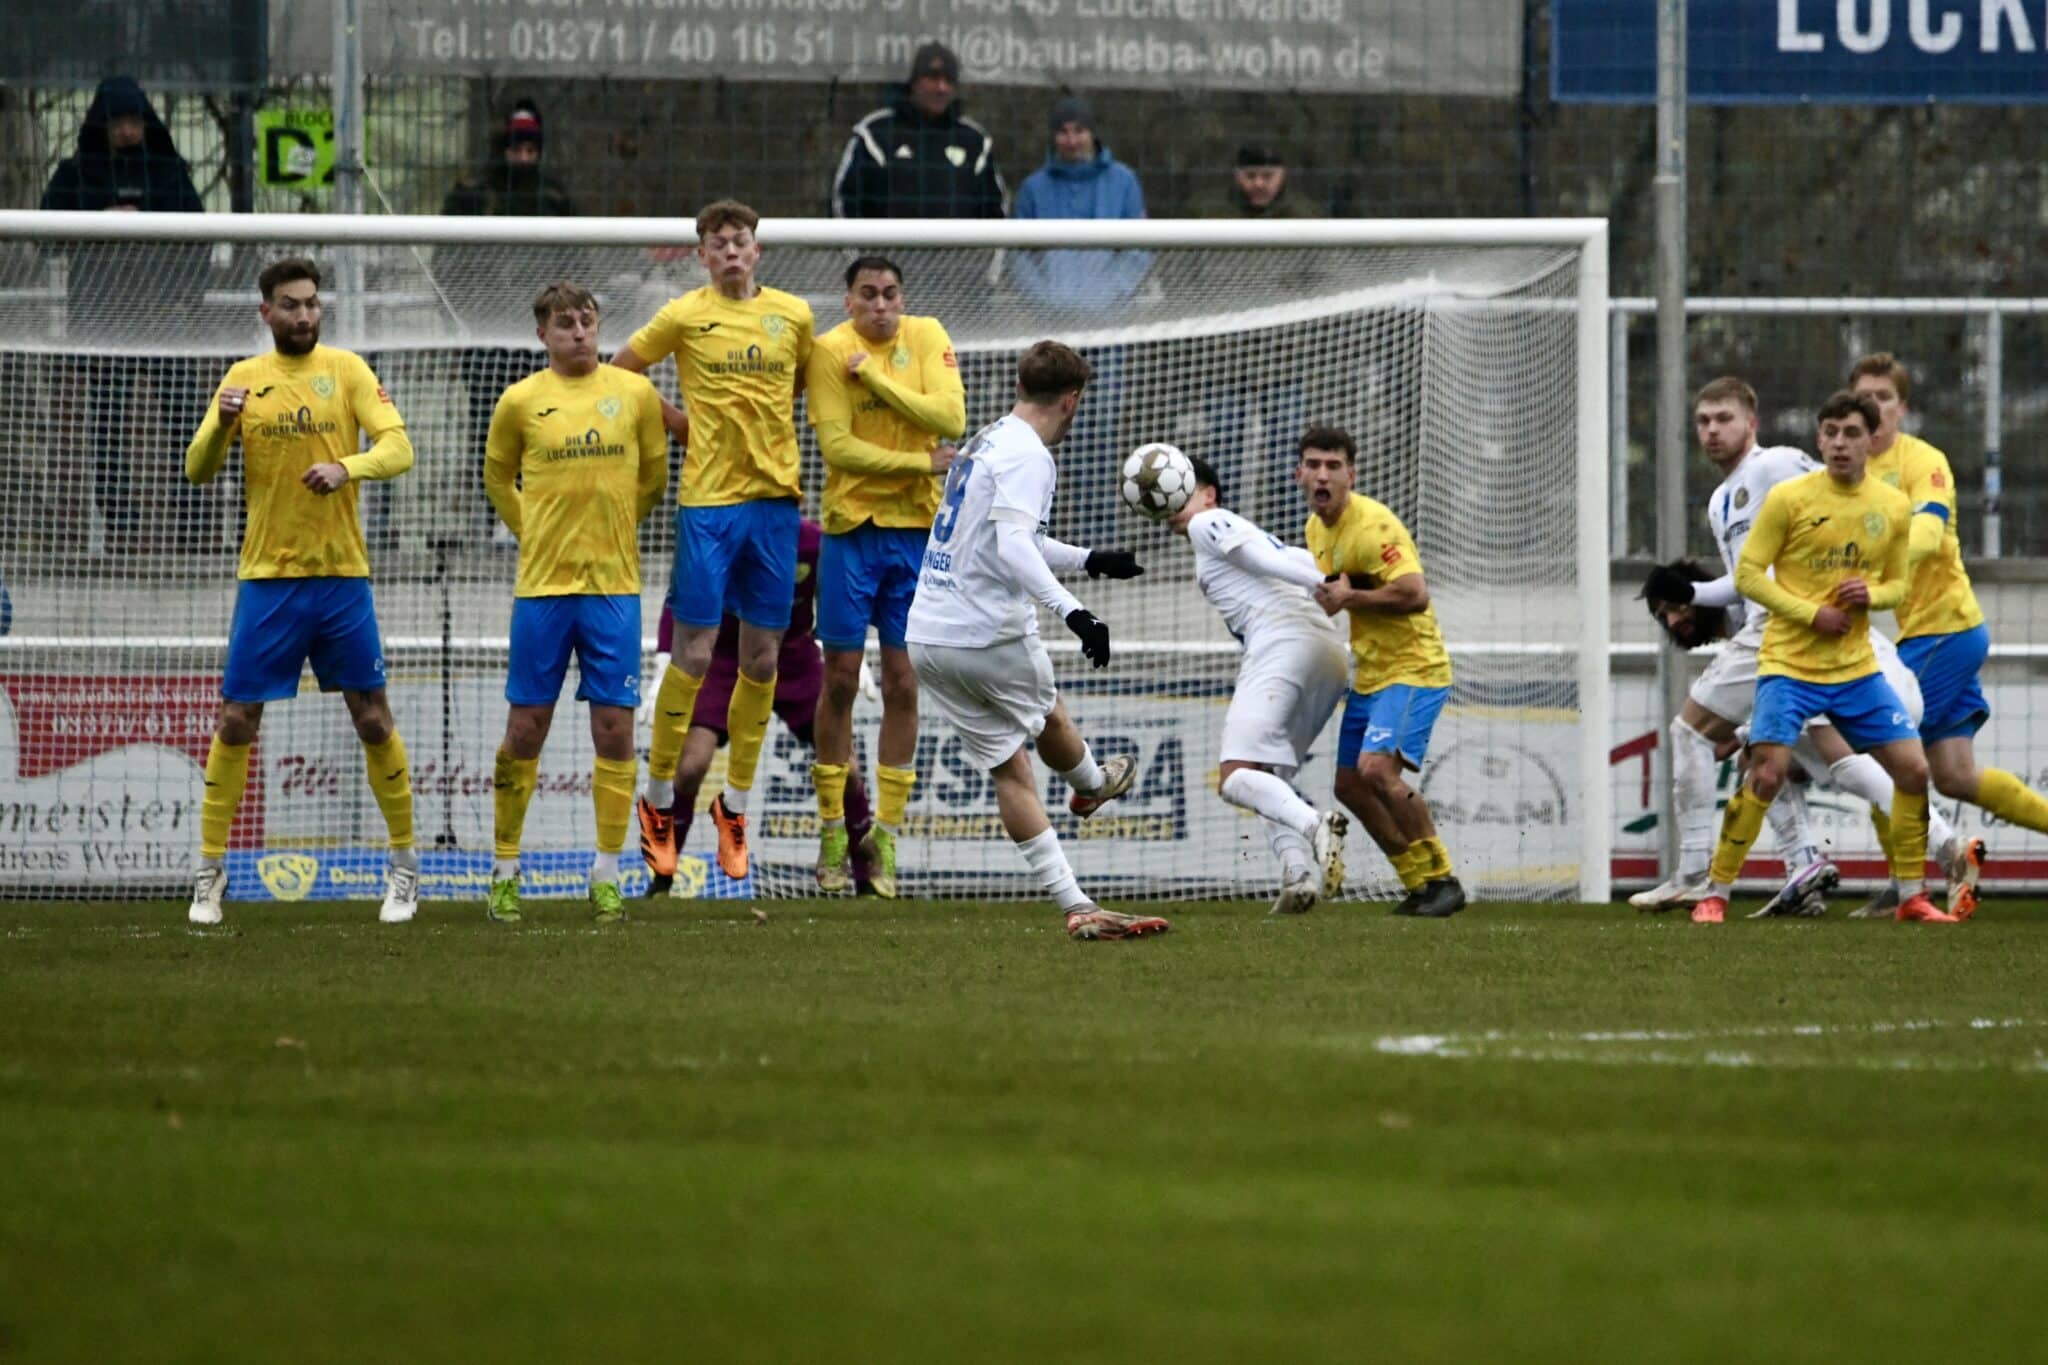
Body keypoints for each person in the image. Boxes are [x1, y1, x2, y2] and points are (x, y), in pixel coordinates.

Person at [1631, 377, 1970, 918]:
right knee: (1784, 758)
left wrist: (1856, 578)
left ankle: (1697, 874)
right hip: (1796, 635)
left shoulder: (1777, 465)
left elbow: (1846, 498)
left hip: (1791, 633)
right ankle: (1850, 859)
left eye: (1725, 419)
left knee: (1691, 731)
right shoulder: (1722, 502)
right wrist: (1690, 593)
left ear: (1752, 422)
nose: (1713, 430)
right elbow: (1748, 576)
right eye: (1703, 421)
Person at [181, 258, 418, 925]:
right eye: (291, 305)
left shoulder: (348, 370)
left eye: (313, 303)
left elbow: (399, 448)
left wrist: (349, 466)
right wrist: (219, 425)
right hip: (268, 580)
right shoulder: (242, 380)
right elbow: (196, 471)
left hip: (343, 577)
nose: (306, 315)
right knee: (236, 719)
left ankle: (404, 868)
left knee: (372, 718)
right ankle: (208, 872)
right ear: (266, 313)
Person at [903, 341, 1163, 941]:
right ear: (1072, 400)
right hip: (986, 630)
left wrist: (1091, 560)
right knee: (1050, 716)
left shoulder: (987, 440)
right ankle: (1094, 786)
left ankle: (1077, 905)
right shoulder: (1032, 457)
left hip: (929, 636)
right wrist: (1077, 614)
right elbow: (1014, 547)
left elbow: (1007, 537)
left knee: (1009, 771)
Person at [611, 200, 813, 884]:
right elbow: (621, 369)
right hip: (707, 506)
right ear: (702, 255)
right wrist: (676, 422)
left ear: (758, 250)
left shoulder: (793, 315)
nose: (731, 251)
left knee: (763, 658)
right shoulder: (684, 314)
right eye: (718, 244)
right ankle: (661, 801)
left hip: (775, 510)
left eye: (741, 241)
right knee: (692, 653)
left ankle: (736, 807)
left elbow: (812, 389)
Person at [482, 283, 667, 925]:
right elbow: (496, 476)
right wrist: (530, 528)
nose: (580, 332)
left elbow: (653, 476)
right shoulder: (520, 401)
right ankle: (506, 870)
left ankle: (607, 873)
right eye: (566, 323)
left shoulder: (636, 394)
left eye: (588, 321)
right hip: (542, 590)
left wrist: (619, 524)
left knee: (614, 730)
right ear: (543, 334)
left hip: (614, 588)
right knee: (525, 729)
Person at [1851, 351, 2045, 918]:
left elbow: (1930, 533)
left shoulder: (1923, 462)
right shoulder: (1852, 475)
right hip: (1921, 635)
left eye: (1884, 398)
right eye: (1864, 398)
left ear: (1901, 408)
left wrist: (1878, 568)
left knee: (1877, 748)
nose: (1874, 407)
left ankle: (1903, 883)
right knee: (1955, 776)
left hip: (1947, 631)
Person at [804, 256, 964, 895]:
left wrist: (874, 378)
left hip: (917, 535)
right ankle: (831, 834)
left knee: (903, 682)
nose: (880, 304)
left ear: (903, 298)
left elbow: (951, 423)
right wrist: (921, 463)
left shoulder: (927, 336)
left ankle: (886, 838)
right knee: (840, 680)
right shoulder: (826, 351)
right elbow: (837, 449)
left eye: (890, 293)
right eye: (867, 294)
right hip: (849, 532)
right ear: (848, 301)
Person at [642, 523, 880, 897]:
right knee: (690, 767)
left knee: (847, 769)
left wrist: (853, 650)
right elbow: (682, 596)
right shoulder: (724, 536)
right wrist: (663, 660)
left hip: (794, 657)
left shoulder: (815, 543)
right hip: (726, 658)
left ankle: (868, 881)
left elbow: (842, 594)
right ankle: (662, 878)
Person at [1162, 453, 1350, 915]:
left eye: (1181, 491)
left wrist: (1324, 581)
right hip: (1327, 653)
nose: (1171, 501)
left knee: (1235, 777)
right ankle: (1297, 875)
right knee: (1270, 777)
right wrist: (1328, 583)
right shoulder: (1222, 532)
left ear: (1208, 495)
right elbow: (1291, 554)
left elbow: (1270, 558)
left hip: (1283, 641)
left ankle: (1315, 825)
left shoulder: (1210, 523)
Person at [1297, 426, 1464, 917]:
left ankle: (1443, 878)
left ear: (1351, 473)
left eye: (1333, 466)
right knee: (1349, 785)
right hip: (1371, 672)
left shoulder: (1375, 526)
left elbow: (1416, 594)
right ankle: (1417, 883)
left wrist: (1352, 598)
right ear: (1299, 474)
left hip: (1415, 667)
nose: (1322, 474)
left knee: (1377, 771)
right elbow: (1338, 596)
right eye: (1313, 464)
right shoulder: (1314, 530)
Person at [41, 75, 210, 555]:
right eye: (120, 122)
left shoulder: (168, 172)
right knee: (108, 422)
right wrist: (100, 219)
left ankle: (193, 527)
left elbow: (200, 238)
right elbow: (44, 233)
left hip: (163, 316)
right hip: (105, 319)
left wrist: (184, 300)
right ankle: (118, 525)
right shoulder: (77, 174)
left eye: (135, 120)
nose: (129, 131)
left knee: (185, 419)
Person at [442, 100, 580, 543]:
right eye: (516, 147)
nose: (523, 157)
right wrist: (470, 315)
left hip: (542, 342)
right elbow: (448, 264)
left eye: (531, 148)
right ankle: (493, 516)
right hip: (485, 339)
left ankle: (541, 516)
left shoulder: (556, 200)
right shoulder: (473, 196)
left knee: (548, 426)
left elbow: (577, 265)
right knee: (491, 424)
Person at [831, 42, 1007, 219]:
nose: (941, 88)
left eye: (949, 80)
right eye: (933, 78)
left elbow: (995, 212)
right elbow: (846, 202)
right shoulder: (876, 134)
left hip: (957, 247)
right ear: (914, 82)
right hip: (889, 246)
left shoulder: (974, 141)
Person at [1008, 96, 1151, 311]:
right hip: (1049, 322)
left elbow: (1140, 249)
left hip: (1112, 324)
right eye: (1063, 132)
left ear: (1092, 133)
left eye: (1079, 131)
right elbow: (1018, 256)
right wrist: (1045, 300)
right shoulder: (1033, 188)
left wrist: (1109, 295)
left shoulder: (1125, 182)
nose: (1072, 141)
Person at [1206, 143, 1321, 219]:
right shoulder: (1211, 214)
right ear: (1237, 176)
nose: (1258, 184)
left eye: (1268, 176)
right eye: (1250, 176)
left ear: (1282, 176)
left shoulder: (1305, 216)